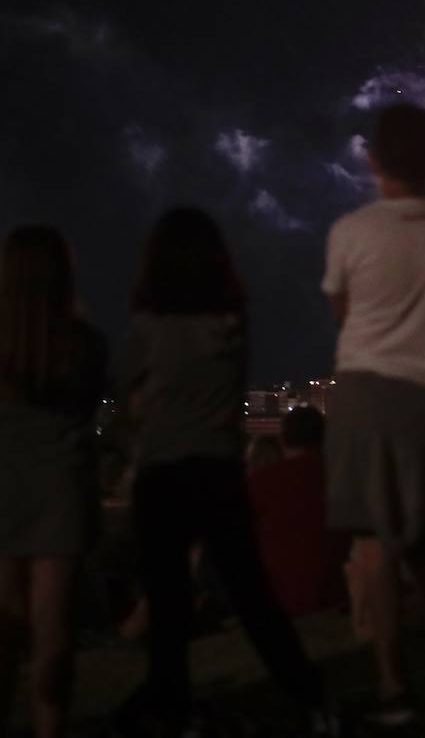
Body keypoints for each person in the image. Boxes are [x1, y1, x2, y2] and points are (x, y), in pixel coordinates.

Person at [115, 208, 331, 735]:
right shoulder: (232, 325)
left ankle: (173, 707)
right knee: (252, 596)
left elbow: (131, 403)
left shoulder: (146, 329)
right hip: (217, 469)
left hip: (162, 472)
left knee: (168, 605)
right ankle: (310, 697)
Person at [321, 102, 425, 729]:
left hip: (365, 390)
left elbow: (343, 310)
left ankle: (393, 684)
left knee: (372, 548)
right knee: (424, 542)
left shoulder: (349, 232)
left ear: (372, 160)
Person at [0, 226, 106, 738]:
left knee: (5, 624)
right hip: (59, 487)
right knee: (53, 630)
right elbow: (89, 408)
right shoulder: (82, 343)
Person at [247, 406, 349, 617]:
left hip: (280, 595)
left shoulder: (262, 483)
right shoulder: (345, 478)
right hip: (338, 589)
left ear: (283, 440)